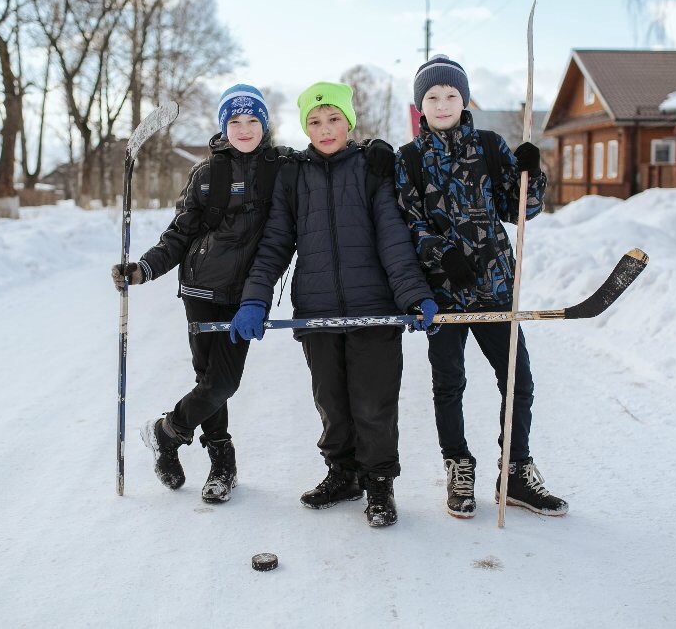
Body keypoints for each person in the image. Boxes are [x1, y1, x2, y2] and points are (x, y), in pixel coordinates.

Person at [228, 81, 437, 528]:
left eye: (334, 119)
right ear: (305, 126)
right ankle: (342, 474)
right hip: (318, 310)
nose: (325, 129)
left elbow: (393, 238)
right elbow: (275, 243)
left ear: (350, 122)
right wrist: (254, 300)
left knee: (374, 404)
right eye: (315, 122)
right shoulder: (294, 175)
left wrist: (414, 294)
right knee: (332, 403)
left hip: (374, 308)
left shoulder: (371, 168)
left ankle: (379, 483)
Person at [393, 54, 568, 518]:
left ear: (465, 99)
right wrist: (441, 255)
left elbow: (521, 210)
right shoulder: (408, 159)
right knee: (449, 384)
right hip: (443, 293)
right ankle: (459, 467)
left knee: (518, 381)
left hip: (494, 286)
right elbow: (408, 222)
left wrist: (532, 172)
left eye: (451, 95)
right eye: (432, 97)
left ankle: (514, 472)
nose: (443, 103)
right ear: (420, 106)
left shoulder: (490, 145)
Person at [110, 84, 283, 504]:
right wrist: (142, 269)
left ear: (265, 124)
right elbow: (180, 234)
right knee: (212, 382)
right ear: (225, 126)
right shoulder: (208, 173)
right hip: (201, 289)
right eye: (235, 121)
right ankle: (222, 463)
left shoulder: (283, 168)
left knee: (224, 381)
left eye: (252, 120)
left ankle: (166, 432)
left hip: (246, 293)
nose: (244, 129)